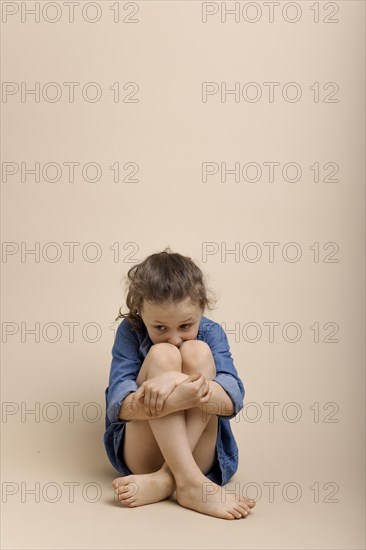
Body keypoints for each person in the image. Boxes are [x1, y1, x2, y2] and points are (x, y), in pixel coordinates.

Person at [103, 248, 256, 519]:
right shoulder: (130, 331)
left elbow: (232, 399)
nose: (175, 338)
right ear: (140, 311)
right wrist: (172, 392)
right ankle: (188, 482)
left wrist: (176, 381)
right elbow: (120, 407)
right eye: (160, 328)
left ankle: (171, 479)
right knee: (163, 354)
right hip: (143, 457)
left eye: (186, 326)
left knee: (197, 351)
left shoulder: (211, 332)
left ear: (202, 308)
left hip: (202, 457)